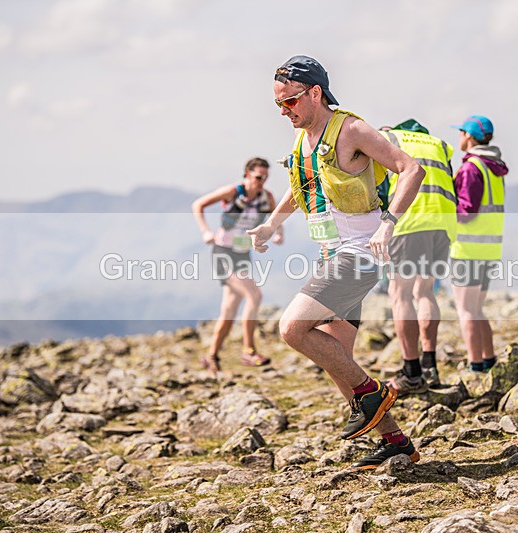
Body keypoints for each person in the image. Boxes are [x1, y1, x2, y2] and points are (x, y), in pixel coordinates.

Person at [248, 55, 426, 469]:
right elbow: (303, 184)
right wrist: (272, 225)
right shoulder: (304, 140)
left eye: (290, 102)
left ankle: (375, 392)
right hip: (333, 254)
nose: (284, 112)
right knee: (337, 359)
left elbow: (410, 169)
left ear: (315, 92)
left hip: (360, 254)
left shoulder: (351, 130)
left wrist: (389, 224)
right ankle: (396, 440)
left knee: (292, 328)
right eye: (278, 105)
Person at [380, 119, 457, 394]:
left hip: (409, 222)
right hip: (444, 223)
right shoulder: (439, 144)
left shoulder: (389, 139)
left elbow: (378, 187)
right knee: (425, 291)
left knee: (399, 294)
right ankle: (429, 366)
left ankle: (411, 371)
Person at [191, 157, 283, 374]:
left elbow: (275, 219)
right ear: (247, 174)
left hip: (242, 253)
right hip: (223, 252)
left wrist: (278, 233)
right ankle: (249, 351)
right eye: (259, 177)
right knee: (254, 296)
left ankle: (212, 356)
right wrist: (205, 231)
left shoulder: (266, 197)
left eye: (265, 178)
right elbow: (198, 205)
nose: (262, 182)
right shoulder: (233, 191)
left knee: (229, 311)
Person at [449, 116, 508, 372]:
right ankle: (488, 359)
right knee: (477, 308)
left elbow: (467, 211)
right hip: (489, 248)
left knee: (465, 310)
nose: (459, 137)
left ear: (469, 136)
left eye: (461, 133)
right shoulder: (494, 167)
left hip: (467, 249)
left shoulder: (472, 167)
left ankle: (475, 367)